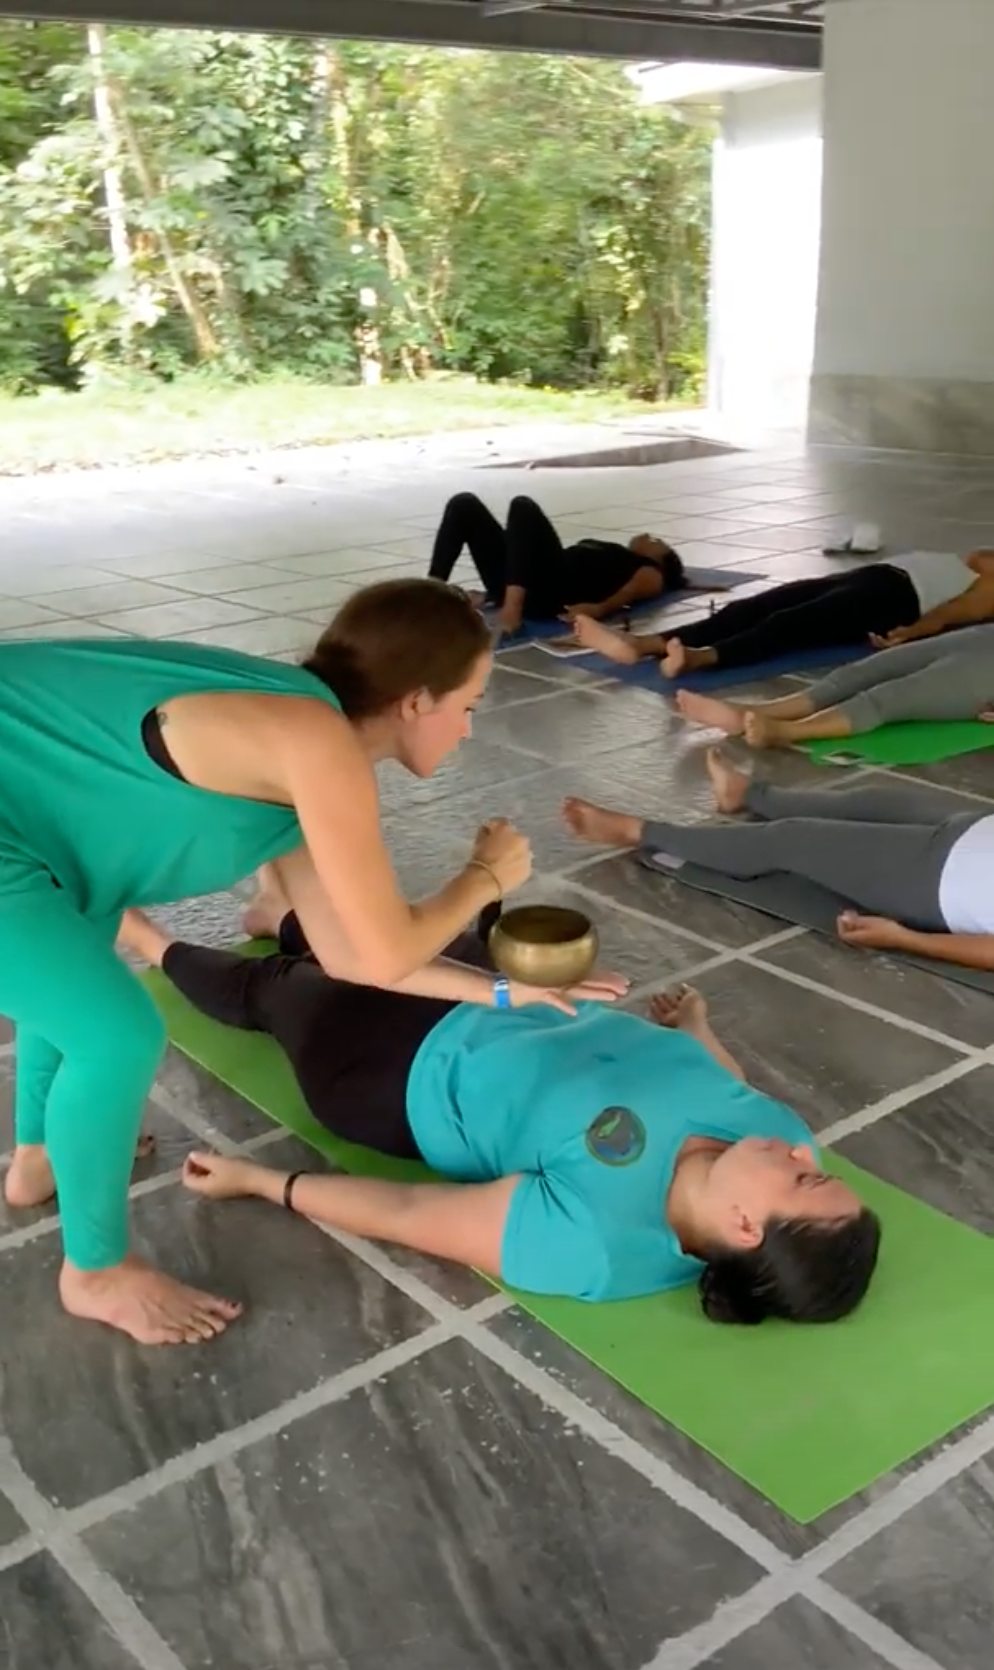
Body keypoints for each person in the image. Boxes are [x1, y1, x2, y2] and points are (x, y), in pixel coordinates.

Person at [0, 578, 538, 1346]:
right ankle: (96, 1273)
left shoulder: (303, 747)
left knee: (72, 976)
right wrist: (484, 877)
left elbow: (356, 956)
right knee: (114, 1035)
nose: (469, 728)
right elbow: (388, 945)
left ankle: (38, 1158)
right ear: (418, 700)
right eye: (470, 704)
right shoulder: (314, 746)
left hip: (29, 829)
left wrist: (504, 992)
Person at [118, 888, 880, 1326]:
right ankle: (279, 918)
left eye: (805, 1179)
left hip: (400, 1068)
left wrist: (263, 1183)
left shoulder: (598, 1245)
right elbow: (728, 1085)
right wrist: (695, 1028)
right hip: (522, 1001)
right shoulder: (774, 1139)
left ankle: (145, 938)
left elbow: (410, 1215)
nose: (804, 1151)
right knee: (391, 942)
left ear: (744, 1227)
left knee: (278, 988)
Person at [562, 749, 994, 973]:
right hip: (972, 828)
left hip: (937, 879)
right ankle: (746, 794)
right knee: (875, 800)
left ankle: (639, 831)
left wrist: (905, 939)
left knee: (794, 839)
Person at [566, 549, 994, 679]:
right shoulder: (975, 562)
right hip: (870, 578)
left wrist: (911, 632)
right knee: (752, 606)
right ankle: (643, 644)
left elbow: (951, 613)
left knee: (791, 624)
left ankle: (702, 657)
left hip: (896, 599)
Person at [673, 623, 994, 748]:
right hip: (981, 638)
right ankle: (750, 712)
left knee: (889, 698)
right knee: (864, 671)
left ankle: (787, 731)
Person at [427, 490, 686, 636]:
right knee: (464, 504)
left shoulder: (651, 571)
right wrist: (491, 596)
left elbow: (636, 590)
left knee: (523, 507)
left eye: (657, 541)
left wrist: (598, 609)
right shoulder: (619, 554)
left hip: (554, 589)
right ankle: (429, 594)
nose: (649, 536)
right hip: (528, 581)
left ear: (660, 559)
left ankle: (512, 610)